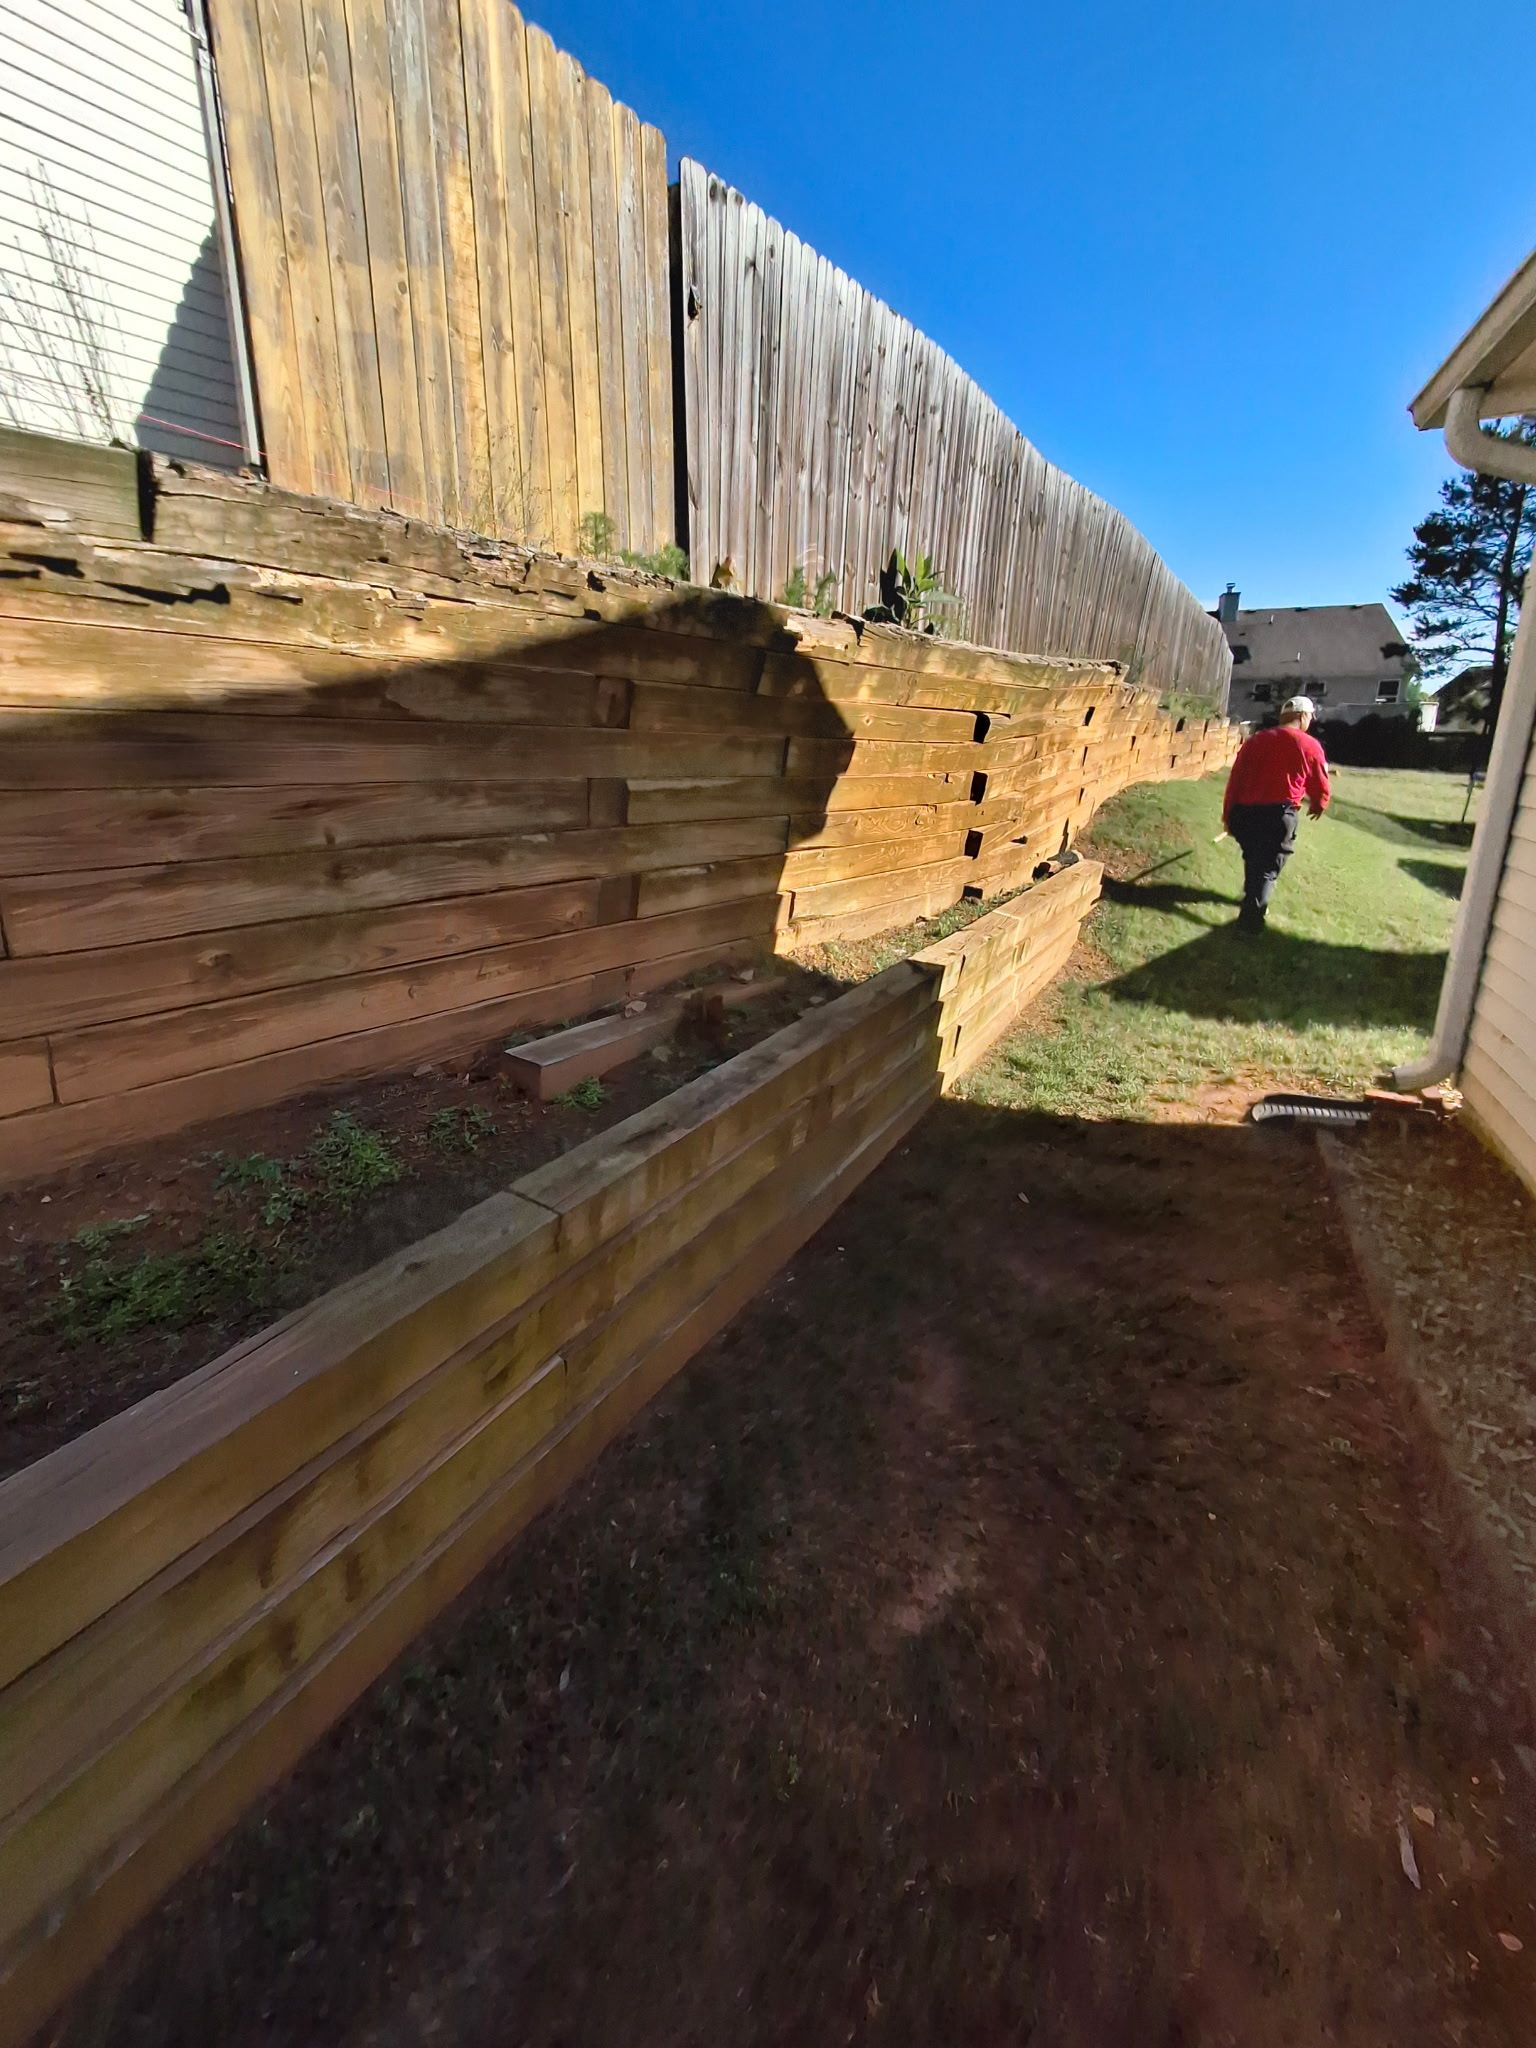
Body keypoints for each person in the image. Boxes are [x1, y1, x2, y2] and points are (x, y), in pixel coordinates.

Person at [1221, 695, 1330, 931]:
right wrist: (1319, 803)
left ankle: (1253, 899)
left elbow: (1236, 780)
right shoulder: (1310, 745)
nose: (1310, 721)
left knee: (1255, 860)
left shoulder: (1256, 740)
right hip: (1278, 816)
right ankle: (1250, 925)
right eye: (1310, 716)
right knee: (1269, 868)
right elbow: (1320, 783)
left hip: (1245, 814)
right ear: (1303, 716)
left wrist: (1228, 814)